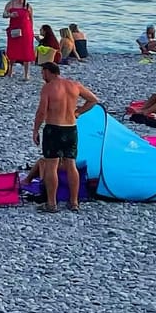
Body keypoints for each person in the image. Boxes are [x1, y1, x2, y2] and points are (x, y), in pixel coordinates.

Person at [33, 62, 100, 213]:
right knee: (71, 165)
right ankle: (74, 202)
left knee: (51, 165)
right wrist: (78, 112)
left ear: (48, 72)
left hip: (54, 129)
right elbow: (93, 99)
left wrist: (35, 130)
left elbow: (41, 112)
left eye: (42, 73)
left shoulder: (48, 88)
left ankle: (52, 203)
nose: (42, 76)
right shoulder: (74, 85)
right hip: (71, 129)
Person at [4, 0, 36, 80]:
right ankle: (10, 70)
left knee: (26, 51)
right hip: (14, 29)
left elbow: (31, 19)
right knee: (12, 50)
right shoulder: (11, 3)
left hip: (26, 30)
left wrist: (32, 31)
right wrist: (10, 15)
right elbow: (4, 14)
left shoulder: (28, 6)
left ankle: (26, 74)